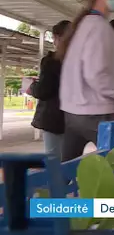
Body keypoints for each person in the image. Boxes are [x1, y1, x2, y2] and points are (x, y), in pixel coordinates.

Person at [56, 0, 114, 162]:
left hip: (72, 112)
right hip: (95, 112)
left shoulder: (83, 25)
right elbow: (96, 75)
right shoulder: (100, 28)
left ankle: (55, 192)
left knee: (65, 171)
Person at [28, 20, 71, 159]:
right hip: (74, 118)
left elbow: (44, 91)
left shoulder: (51, 61)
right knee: (70, 161)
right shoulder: (80, 60)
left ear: (57, 38)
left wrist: (31, 87)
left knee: (54, 161)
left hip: (53, 119)